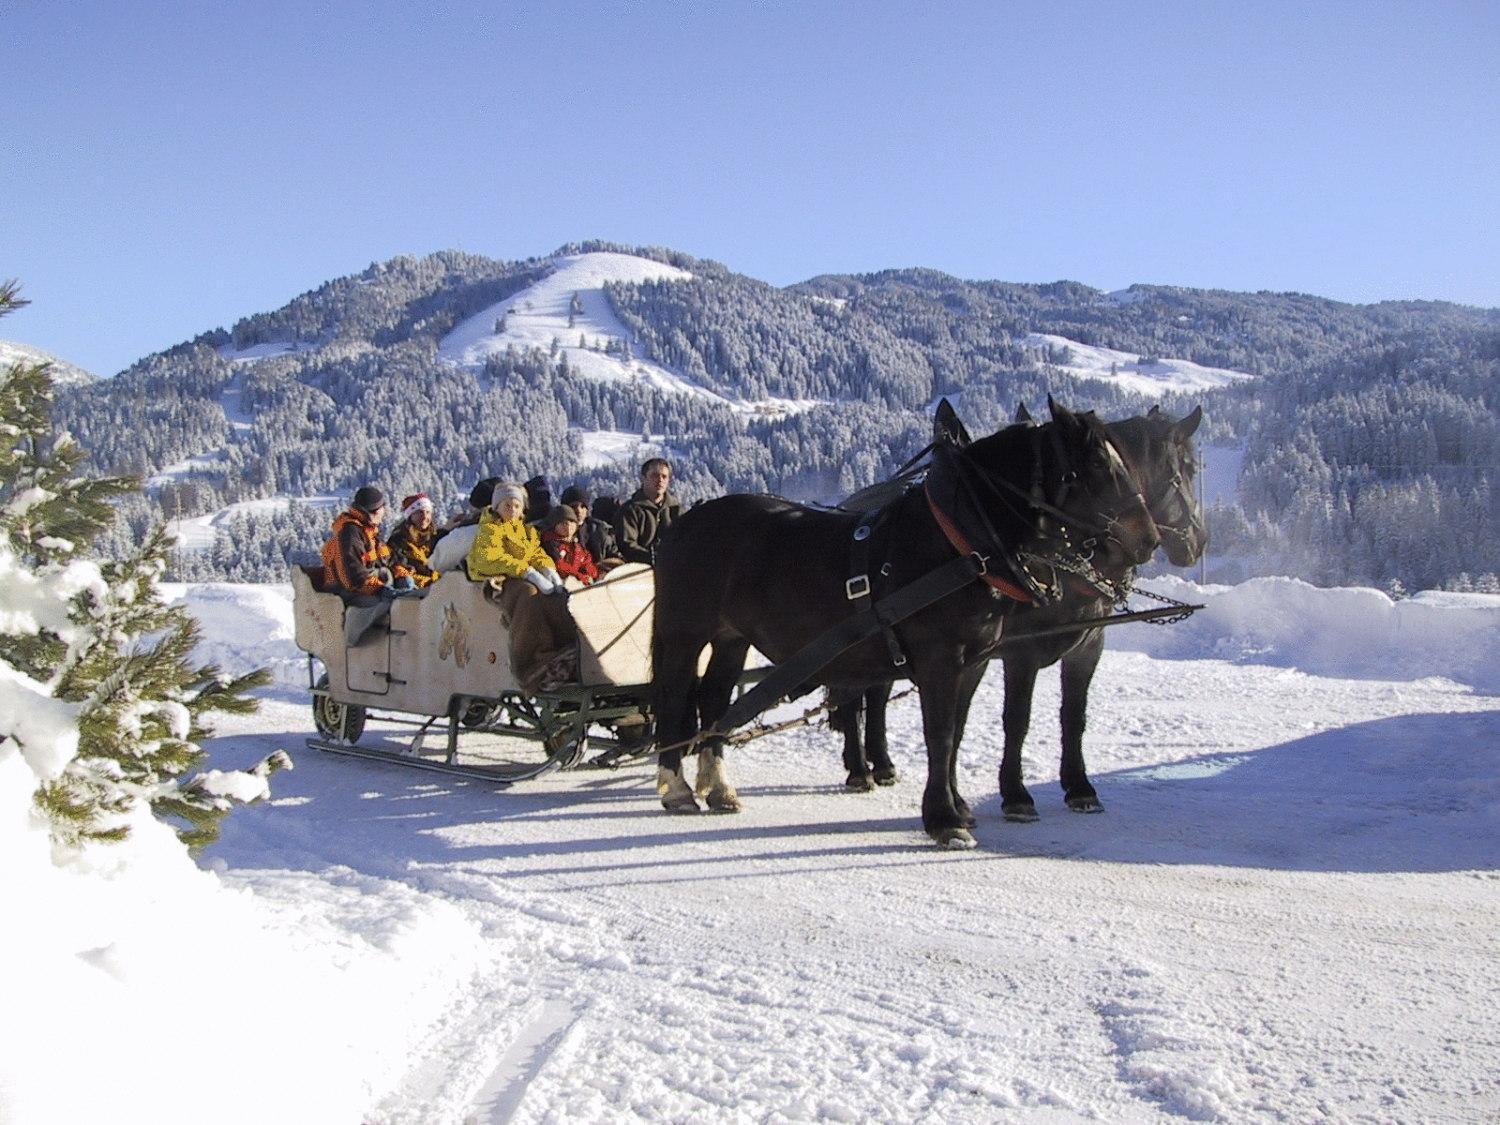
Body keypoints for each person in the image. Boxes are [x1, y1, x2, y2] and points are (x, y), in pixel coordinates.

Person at [467, 482, 576, 691]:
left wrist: (548, 570)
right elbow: (489, 558)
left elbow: (536, 553)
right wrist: (527, 572)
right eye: (507, 505)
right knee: (530, 596)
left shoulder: (526, 531)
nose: (512, 510)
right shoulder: (490, 529)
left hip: (521, 576)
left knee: (558, 597)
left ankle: (566, 650)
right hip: (499, 580)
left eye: (516, 506)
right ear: (497, 506)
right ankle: (533, 664)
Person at [320, 486, 395, 600]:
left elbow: (386, 559)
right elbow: (355, 577)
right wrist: (381, 590)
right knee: (390, 608)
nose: (384, 512)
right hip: (344, 594)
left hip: (363, 587)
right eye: (382, 507)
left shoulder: (368, 530)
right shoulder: (350, 533)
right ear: (375, 512)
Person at [616, 457, 681, 564]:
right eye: (655, 475)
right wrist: (652, 558)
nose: (660, 480)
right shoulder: (630, 510)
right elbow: (627, 545)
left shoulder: (677, 510)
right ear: (643, 478)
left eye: (664, 476)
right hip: (640, 570)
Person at [559, 485, 624, 572]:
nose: (579, 511)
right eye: (573, 506)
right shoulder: (556, 532)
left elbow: (615, 557)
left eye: (583, 506)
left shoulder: (600, 530)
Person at [386, 492, 439, 589]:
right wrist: (426, 583)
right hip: (413, 587)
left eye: (428, 512)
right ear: (411, 515)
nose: (424, 517)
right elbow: (398, 568)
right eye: (420, 512)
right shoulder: (399, 539)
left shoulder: (433, 536)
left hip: (434, 584)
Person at [539, 505, 601, 585]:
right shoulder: (550, 543)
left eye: (572, 521)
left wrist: (592, 574)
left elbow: (586, 561)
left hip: (579, 582)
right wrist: (579, 576)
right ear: (554, 526)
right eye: (563, 523)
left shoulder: (576, 545)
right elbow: (559, 566)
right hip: (557, 583)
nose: (568, 525)